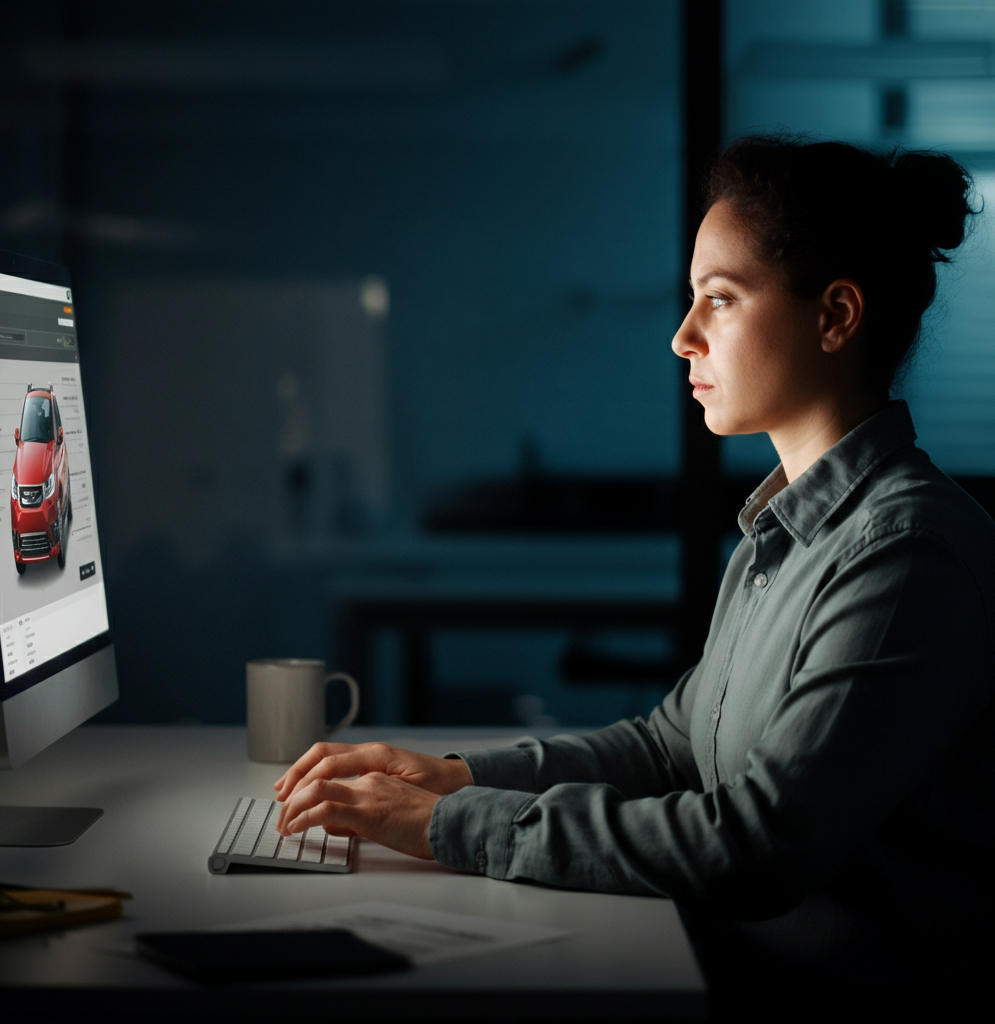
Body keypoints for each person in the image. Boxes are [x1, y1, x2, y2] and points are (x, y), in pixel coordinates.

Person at [274, 136, 994, 994]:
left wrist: (446, 825)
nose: (684, 336)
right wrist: (457, 777)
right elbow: (670, 747)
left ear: (835, 316)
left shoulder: (906, 553)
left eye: (719, 300)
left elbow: (756, 849)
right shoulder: (787, 529)